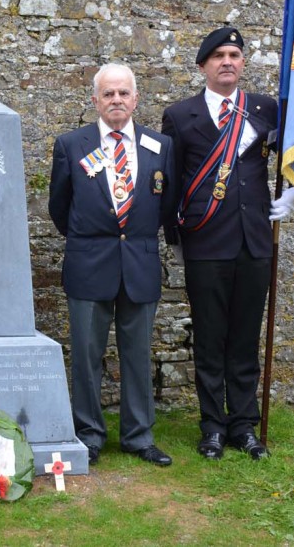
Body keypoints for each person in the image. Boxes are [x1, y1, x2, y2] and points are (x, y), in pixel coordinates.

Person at [161, 26, 294, 461]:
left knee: (244, 338)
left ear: (242, 63)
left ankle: (243, 426)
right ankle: (212, 428)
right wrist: (175, 238)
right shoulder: (180, 115)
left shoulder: (263, 108)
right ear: (203, 65)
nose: (228, 62)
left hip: (254, 241)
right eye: (219, 55)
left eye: (235, 55)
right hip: (205, 243)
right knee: (209, 338)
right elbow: (172, 182)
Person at [48, 63, 177, 467]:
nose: (116, 100)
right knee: (86, 356)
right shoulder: (71, 145)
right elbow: (59, 208)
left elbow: (166, 206)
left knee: (137, 355)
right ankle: (88, 434)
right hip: (89, 265)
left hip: (139, 263)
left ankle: (139, 436)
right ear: (95, 101)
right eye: (108, 94)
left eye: (123, 93)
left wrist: (134, 238)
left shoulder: (161, 146)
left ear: (135, 99)